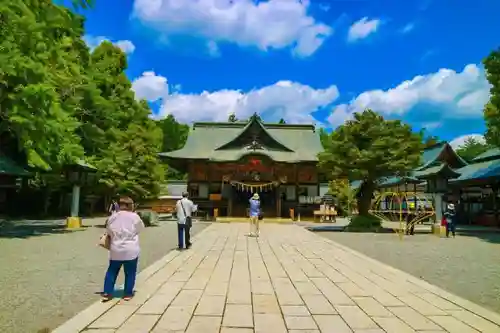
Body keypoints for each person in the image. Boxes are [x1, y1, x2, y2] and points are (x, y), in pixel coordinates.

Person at [102, 196, 145, 302]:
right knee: (130, 272)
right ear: (129, 205)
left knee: (112, 270)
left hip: (116, 248)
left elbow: (109, 231)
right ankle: (127, 293)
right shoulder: (134, 217)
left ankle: (107, 292)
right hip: (130, 248)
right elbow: (140, 228)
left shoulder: (112, 217)